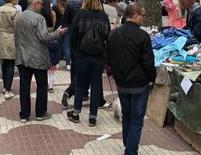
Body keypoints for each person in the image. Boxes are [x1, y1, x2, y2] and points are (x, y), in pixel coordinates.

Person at [106, 4, 155, 155]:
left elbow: (109, 58)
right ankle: (131, 150)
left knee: (127, 116)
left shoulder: (113, 34)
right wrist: (152, 78)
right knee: (136, 119)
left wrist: (114, 73)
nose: (144, 19)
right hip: (139, 84)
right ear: (135, 15)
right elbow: (148, 62)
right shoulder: (142, 36)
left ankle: (128, 144)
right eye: (143, 15)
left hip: (121, 83)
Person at [15, 0, 66, 123]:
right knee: (42, 85)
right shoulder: (39, 18)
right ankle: (40, 112)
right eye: (41, 4)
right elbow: (44, 37)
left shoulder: (19, 17)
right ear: (35, 3)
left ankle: (24, 114)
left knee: (24, 87)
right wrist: (58, 33)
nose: (42, 7)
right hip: (38, 58)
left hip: (23, 57)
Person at [66, 0, 110, 127]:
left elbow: (73, 35)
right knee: (96, 86)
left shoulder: (81, 14)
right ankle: (92, 117)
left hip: (82, 55)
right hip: (98, 57)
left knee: (80, 83)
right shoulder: (104, 16)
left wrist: (76, 50)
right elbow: (107, 36)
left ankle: (76, 113)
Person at [0, 0, 21, 100]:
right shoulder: (14, 11)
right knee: (10, 63)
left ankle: (5, 86)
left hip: (1, 36)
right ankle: (8, 89)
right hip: (11, 37)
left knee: (4, 63)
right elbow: (17, 27)